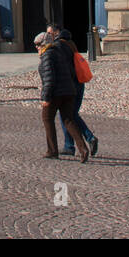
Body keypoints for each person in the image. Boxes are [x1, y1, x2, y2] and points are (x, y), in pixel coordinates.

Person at [35, 32, 89, 162]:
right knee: (68, 120)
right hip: (69, 91)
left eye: (38, 44)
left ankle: (52, 150)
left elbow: (49, 79)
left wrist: (45, 98)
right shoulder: (59, 52)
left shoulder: (47, 55)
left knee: (47, 119)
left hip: (56, 93)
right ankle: (83, 149)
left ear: (43, 44)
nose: (36, 47)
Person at [57, 28, 98, 157]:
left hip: (70, 85)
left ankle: (74, 144)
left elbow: (64, 69)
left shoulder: (61, 48)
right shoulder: (73, 48)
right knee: (72, 114)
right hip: (80, 84)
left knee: (67, 115)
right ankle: (71, 144)